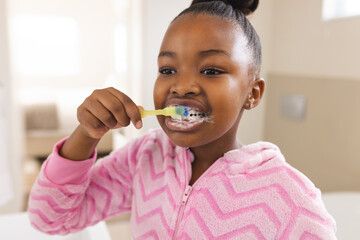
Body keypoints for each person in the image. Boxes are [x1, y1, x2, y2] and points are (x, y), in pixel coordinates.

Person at [28, 0, 337, 239]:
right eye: (167, 70)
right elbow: (50, 217)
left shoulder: (291, 201)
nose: (181, 86)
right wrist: (86, 134)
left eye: (211, 70)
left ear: (252, 94)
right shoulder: (145, 157)